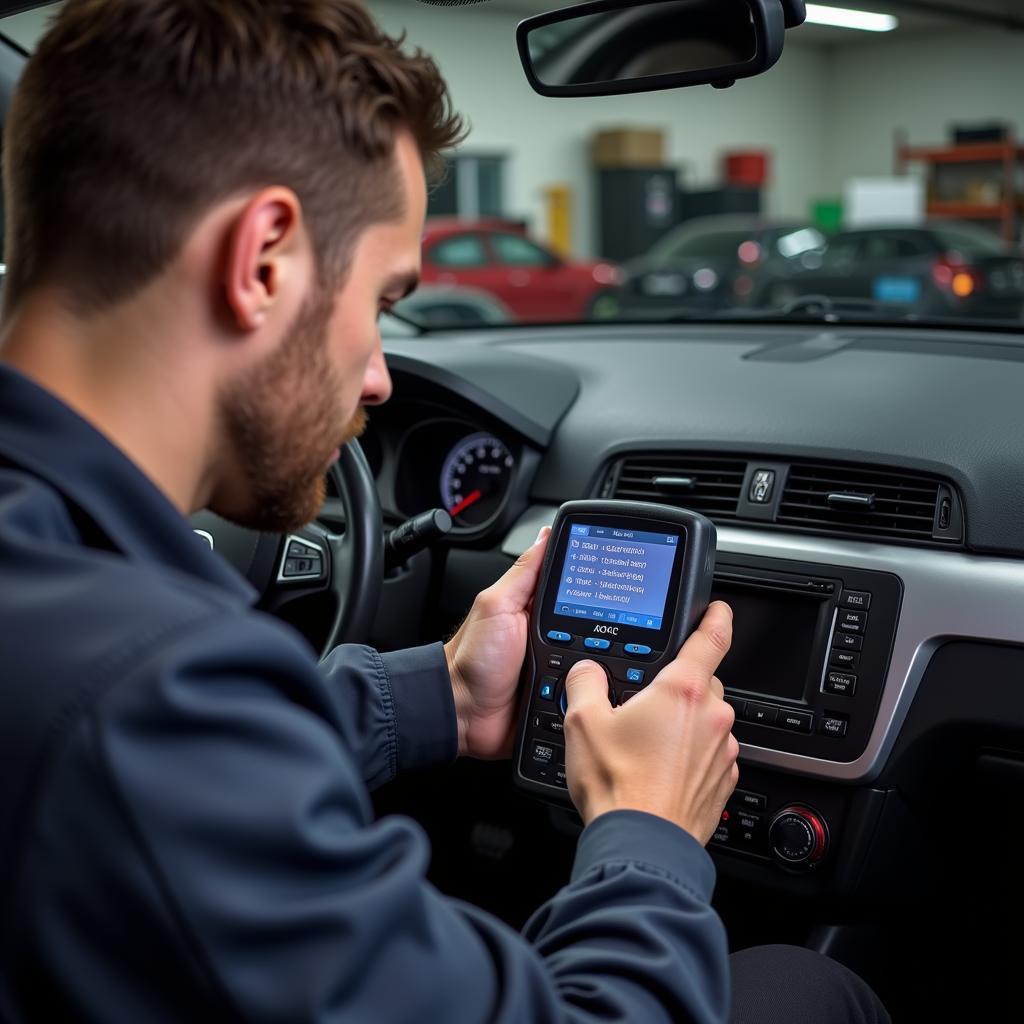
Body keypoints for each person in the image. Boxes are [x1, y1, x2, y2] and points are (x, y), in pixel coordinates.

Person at [0, 2, 889, 1021]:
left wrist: (438, 698)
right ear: (263, 259)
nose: (380, 378)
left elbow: (188, 776)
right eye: (381, 302)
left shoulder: (67, 605)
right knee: (821, 988)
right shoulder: (142, 690)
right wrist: (646, 831)